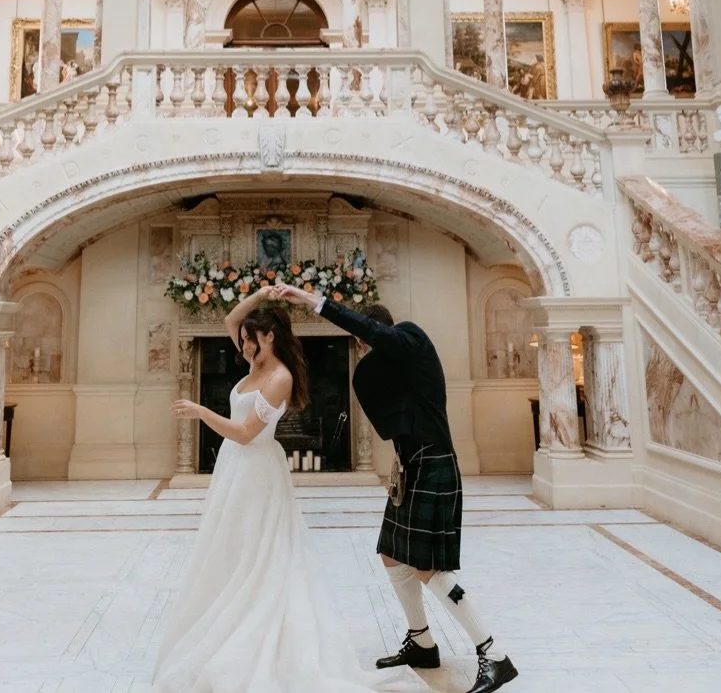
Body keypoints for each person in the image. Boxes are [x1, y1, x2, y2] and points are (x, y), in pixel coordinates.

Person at [153, 289, 425, 693]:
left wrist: (201, 411)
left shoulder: (280, 377)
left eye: (250, 338)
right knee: (230, 549)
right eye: (244, 338)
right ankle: (228, 617)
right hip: (233, 471)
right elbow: (229, 321)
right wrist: (259, 296)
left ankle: (258, 629)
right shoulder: (252, 359)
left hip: (258, 471)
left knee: (260, 554)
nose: (242, 344)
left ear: (270, 338)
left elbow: (246, 433)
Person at [271, 284, 518, 693]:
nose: (366, 349)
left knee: (429, 567)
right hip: (413, 466)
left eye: (367, 340)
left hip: (436, 464)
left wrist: (318, 303)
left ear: (377, 332)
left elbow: (383, 340)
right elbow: (392, 423)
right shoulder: (393, 369)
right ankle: (422, 642)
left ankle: (493, 655)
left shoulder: (412, 338)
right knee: (391, 554)